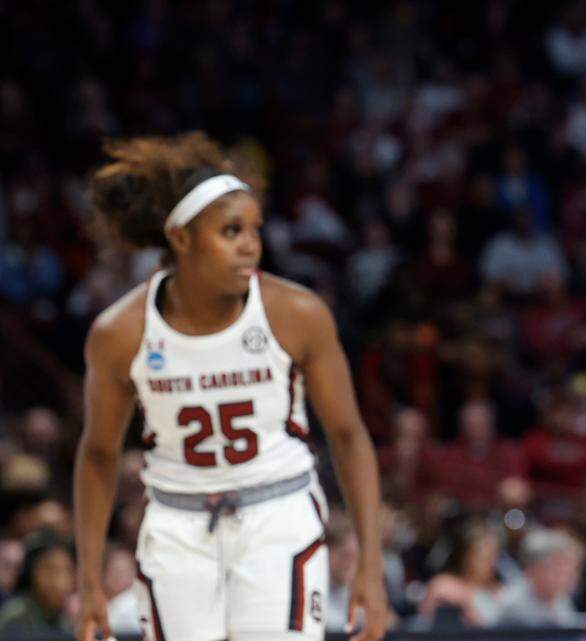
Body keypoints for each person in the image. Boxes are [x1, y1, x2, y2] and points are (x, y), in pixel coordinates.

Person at [73, 132, 391, 641]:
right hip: (177, 524)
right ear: (181, 238)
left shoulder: (297, 314)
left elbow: (350, 436)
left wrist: (370, 567)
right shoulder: (121, 332)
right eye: (231, 230)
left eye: (254, 230)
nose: (251, 245)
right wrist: (89, 578)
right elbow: (98, 455)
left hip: (277, 514)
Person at [0, 530, 75, 633]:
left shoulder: (68, 618)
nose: (61, 582)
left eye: (67, 570)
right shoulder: (14, 617)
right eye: (51, 570)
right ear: (30, 572)